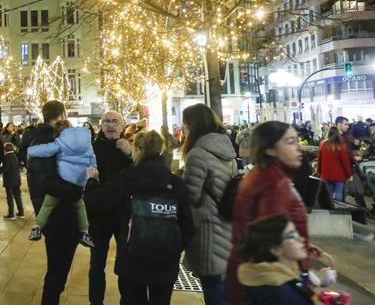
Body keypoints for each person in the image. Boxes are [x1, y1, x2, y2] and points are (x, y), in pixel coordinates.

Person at [85, 130, 194, 305]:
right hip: (165, 259)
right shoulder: (175, 183)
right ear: (160, 150)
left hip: (133, 257)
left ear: (136, 149)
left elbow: (97, 202)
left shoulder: (128, 177)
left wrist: (92, 181)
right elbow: (188, 225)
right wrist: (175, 248)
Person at [225, 121, 324, 305]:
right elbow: (271, 241)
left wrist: (302, 245)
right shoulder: (274, 184)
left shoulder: (265, 175)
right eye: (290, 142)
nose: (298, 148)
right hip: (271, 284)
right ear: (270, 149)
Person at [22, 100, 83, 305]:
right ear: (62, 115)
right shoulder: (48, 142)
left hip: (52, 212)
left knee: (57, 268)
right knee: (57, 270)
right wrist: (77, 189)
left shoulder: (38, 140)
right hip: (60, 214)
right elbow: (49, 182)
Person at [180, 104, 235, 305]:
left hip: (207, 229)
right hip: (227, 224)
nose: (183, 129)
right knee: (223, 285)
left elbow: (191, 195)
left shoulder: (198, 153)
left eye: (185, 124)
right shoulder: (226, 149)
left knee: (213, 288)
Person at [27, 120, 97, 248]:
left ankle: (37, 228)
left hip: (62, 180)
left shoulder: (61, 141)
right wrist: (93, 171)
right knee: (79, 205)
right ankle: (85, 233)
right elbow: (92, 158)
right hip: (78, 182)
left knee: (48, 203)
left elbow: (47, 150)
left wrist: (31, 151)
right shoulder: (87, 143)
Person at [88, 110, 134, 305]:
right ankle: (95, 301)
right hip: (100, 213)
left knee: (126, 261)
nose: (110, 125)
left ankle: (127, 299)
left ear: (122, 125)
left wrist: (131, 154)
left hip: (124, 213)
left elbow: (142, 175)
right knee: (97, 262)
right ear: (101, 125)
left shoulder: (130, 148)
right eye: (106, 121)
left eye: (115, 121)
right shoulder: (92, 148)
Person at [237, 215, 319, 305]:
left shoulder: (277, 274)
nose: (302, 239)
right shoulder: (280, 293)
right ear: (276, 249)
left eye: (297, 233)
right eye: (292, 236)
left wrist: (305, 274)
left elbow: (295, 284)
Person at [316, 127, 352, 202]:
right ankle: (339, 210)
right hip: (339, 174)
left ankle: (329, 209)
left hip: (326, 174)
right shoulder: (341, 145)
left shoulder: (322, 144)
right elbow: (346, 162)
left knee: (328, 194)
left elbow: (319, 159)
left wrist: (319, 171)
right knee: (339, 193)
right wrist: (349, 174)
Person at [1, 142, 24, 219]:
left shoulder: (6, 157)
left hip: (9, 180)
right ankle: (21, 212)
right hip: (17, 179)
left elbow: (5, 168)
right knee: (18, 196)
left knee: (9, 197)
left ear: (5, 149)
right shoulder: (14, 155)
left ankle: (11, 214)